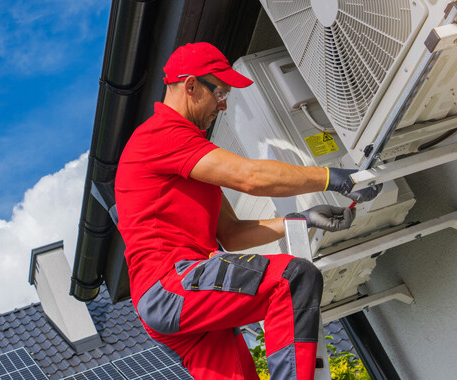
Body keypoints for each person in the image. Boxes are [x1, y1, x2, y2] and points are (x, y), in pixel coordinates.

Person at [115, 42, 378, 380]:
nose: (223, 105)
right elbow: (251, 177)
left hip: (177, 300)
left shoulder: (190, 157)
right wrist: (332, 177)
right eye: (220, 92)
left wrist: (299, 219)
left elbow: (232, 234)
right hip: (173, 284)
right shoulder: (162, 134)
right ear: (191, 86)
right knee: (291, 279)